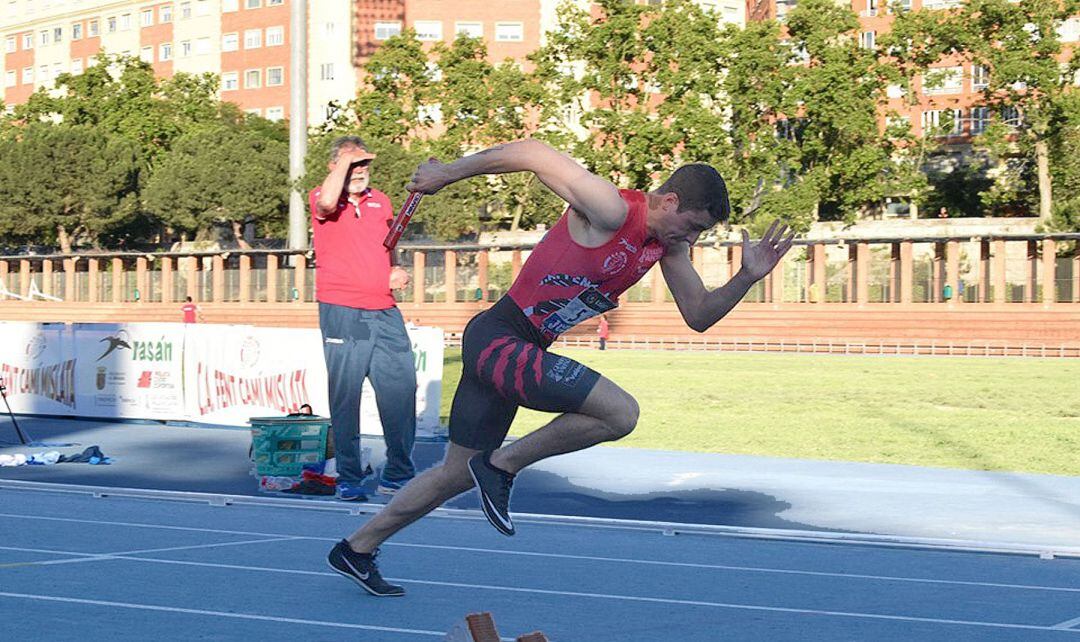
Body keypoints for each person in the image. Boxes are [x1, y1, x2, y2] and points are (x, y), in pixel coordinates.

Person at [326, 138, 794, 597]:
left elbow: (699, 315)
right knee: (619, 413)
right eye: (691, 226)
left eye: (700, 235)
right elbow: (532, 153)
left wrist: (747, 277)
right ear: (669, 200)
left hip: (515, 346)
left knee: (454, 473)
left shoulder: (666, 247)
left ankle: (357, 548)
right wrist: (447, 173)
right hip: (500, 338)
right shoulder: (611, 210)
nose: (690, 240)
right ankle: (502, 467)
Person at [310, 135, 417, 502]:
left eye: (364, 165)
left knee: (402, 390)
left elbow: (389, 241)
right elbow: (326, 201)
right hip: (342, 310)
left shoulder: (380, 200)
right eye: (351, 165)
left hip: (384, 309)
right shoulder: (322, 197)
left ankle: (399, 474)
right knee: (346, 396)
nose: (360, 171)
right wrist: (345, 163)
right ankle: (349, 476)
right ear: (334, 167)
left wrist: (396, 266)